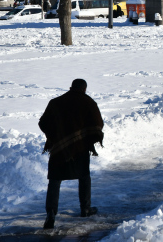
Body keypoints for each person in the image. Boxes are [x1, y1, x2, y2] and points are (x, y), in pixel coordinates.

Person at [38, 79, 104, 230]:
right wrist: (88, 138)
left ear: (71, 87)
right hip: (80, 148)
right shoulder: (88, 102)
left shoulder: (55, 102)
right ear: (84, 89)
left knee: (54, 180)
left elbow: (43, 123)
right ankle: (85, 209)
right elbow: (98, 124)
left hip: (58, 148)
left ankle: (51, 213)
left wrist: (54, 137)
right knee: (84, 176)